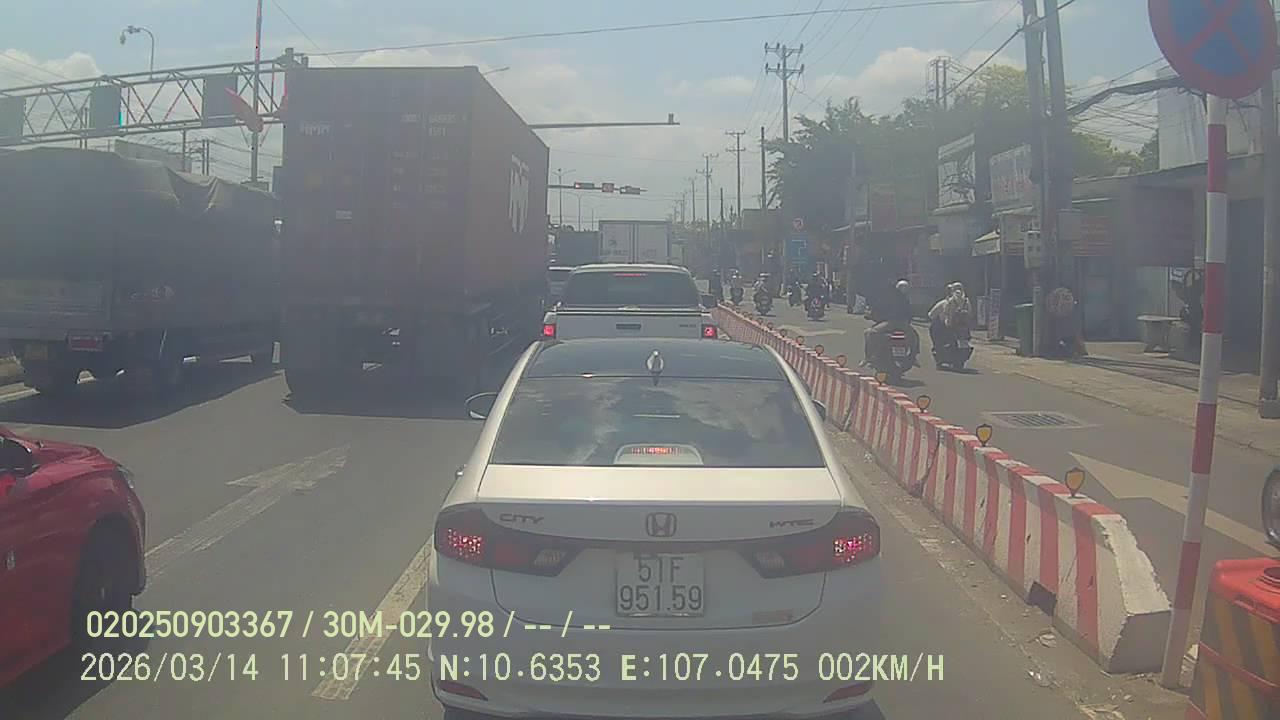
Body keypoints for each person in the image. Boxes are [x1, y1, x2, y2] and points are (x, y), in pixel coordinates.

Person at [864, 279, 917, 365]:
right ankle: (913, 357)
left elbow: (879, 311)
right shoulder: (905, 300)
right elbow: (910, 314)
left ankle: (868, 357)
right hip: (903, 325)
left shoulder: (891, 298)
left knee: (869, 333)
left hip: (890, 323)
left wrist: (872, 315)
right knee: (914, 336)